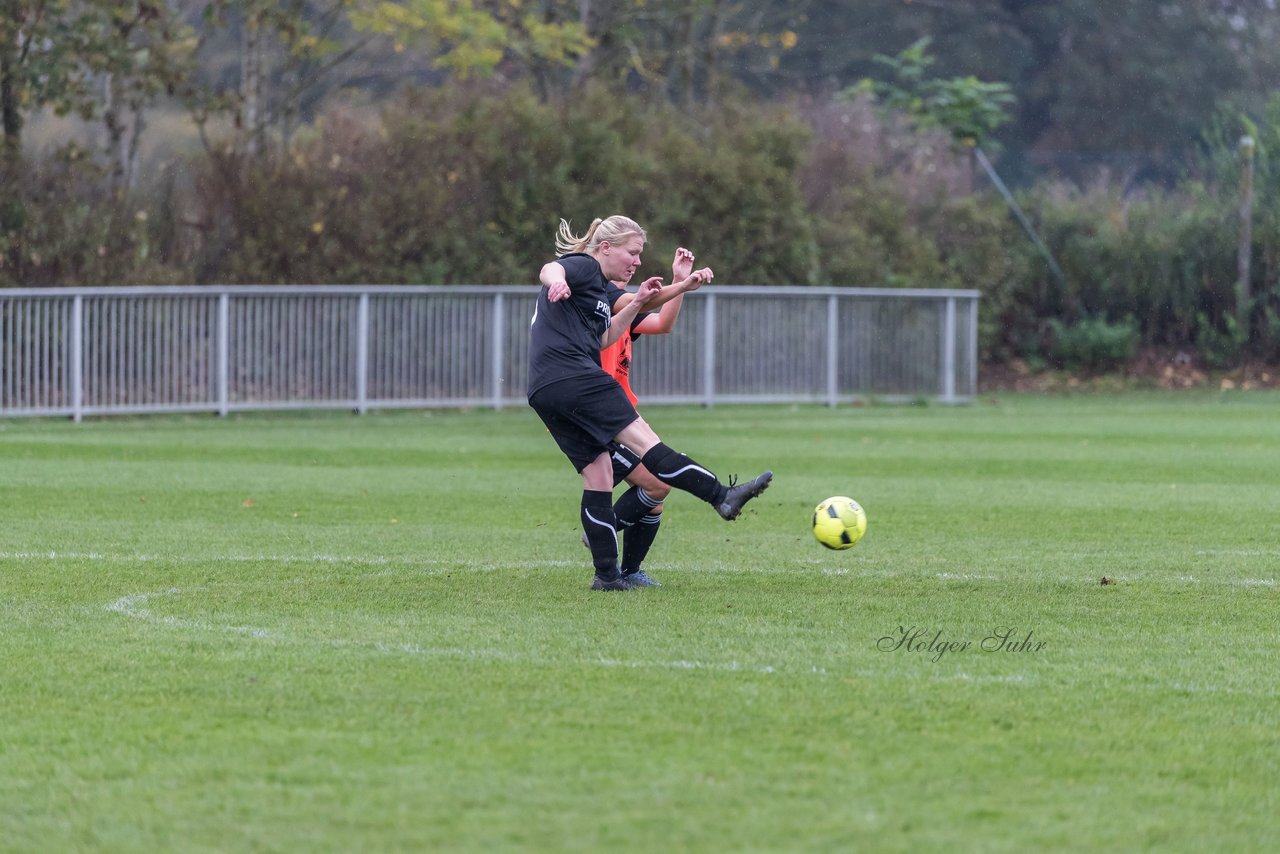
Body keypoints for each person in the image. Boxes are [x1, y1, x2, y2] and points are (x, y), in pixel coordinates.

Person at [528, 215, 772, 591]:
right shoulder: (584, 267)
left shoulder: (600, 294)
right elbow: (550, 268)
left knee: (599, 476)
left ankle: (608, 578)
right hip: (578, 379)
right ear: (606, 248)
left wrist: (647, 298)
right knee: (649, 449)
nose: (637, 261)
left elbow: (605, 337)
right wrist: (557, 279)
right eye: (633, 252)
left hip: (545, 389)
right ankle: (721, 496)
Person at [580, 246, 709, 588]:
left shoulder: (625, 304)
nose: (635, 262)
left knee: (653, 499)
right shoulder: (600, 303)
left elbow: (664, 323)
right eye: (631, 253)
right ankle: (600, 530)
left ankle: (629, 570)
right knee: (657, 483)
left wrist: (679, 281)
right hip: (598, 418)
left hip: (621, 414)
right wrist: (677, 286)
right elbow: (630, 307)